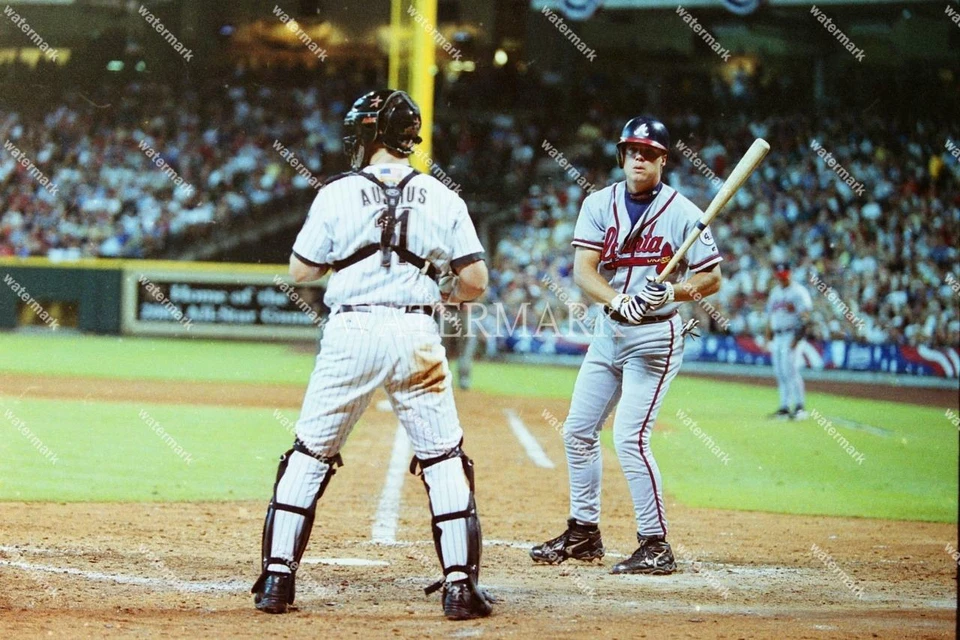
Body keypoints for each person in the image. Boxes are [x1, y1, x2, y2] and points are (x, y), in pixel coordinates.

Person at [251, 89, 494, 620]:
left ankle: (276, 580)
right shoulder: (443, 195)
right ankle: (459, 587)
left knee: (310, 453)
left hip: (351, 330)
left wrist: (350, 257)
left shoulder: (336, 192)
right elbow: (476, 280)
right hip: (415, 331)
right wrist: (444, 289)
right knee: (443, 457)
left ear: (371, 134)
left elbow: (300, 270)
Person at [530, 117, 722, 575]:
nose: (639, 158)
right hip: (608, 331)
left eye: (649, 152)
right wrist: (617, 300)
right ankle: (584, 533)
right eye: (632, 150)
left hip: (655, 337)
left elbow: (711, 277)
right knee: (578, 432)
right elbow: (584, 271)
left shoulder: (684, 212)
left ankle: (655, 544)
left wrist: (671, 291)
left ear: (662, 160)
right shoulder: (598, 203)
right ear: (622, 155)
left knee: (629, 439)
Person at [765, 263, 812, 420]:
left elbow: (805, 317)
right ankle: (784, 407)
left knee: (791, 371)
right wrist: (767, 336)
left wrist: (797, 339)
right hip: (778, 336)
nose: (782, 279)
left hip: (791, 335)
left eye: (784, 276)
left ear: (790, 274)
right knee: (780, 372)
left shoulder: (799, 292)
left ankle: (800, 407)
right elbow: (770, 316)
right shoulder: (775, 292)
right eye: (780, 276)